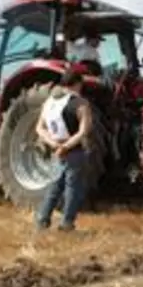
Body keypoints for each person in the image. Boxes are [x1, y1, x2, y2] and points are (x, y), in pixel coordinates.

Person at [34, 70, 92, 232]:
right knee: (73, 188)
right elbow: (84, 131)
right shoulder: (81, 103)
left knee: (54, 187)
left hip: (56, 149)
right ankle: (67, 223)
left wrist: (53, 144)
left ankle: (42, 220)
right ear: (78, 84)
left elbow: (39, 128)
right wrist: (66, 146)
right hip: (73, 150)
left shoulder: (49, 102)